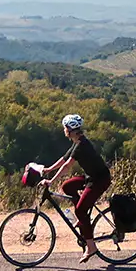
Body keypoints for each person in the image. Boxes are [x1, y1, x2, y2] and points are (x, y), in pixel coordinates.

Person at [43, 113, 111, 263]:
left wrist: (50, 181)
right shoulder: (77, 141)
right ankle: (83, 219)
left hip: (100, 180)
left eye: (65, 127)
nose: (63, 130)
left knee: (80, 210)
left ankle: (91, 246)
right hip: (90, 177)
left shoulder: (81, 145)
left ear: (70, 129)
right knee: (67, 186)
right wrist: (49, 170)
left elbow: (67, 166)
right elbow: (64, 159)